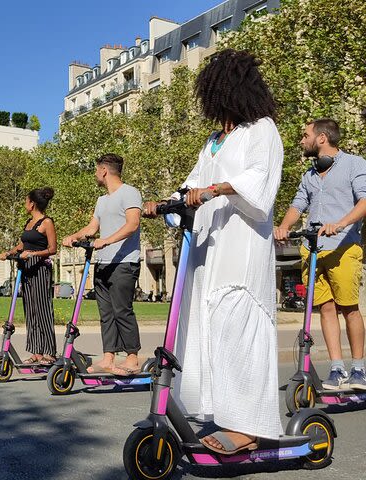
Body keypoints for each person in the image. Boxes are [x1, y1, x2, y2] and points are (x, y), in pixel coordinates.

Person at [144, 49, 283, 454]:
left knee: (238, 325)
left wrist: (216, 190)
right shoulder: (214, 142)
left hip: (241, 248)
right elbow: (192, 183)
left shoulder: (262, 130)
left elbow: (260, 180)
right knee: (208, 327)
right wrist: (166, 203)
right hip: (208, 249)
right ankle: (220, 412)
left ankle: (248, 427)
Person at [274, 119, 366, 391]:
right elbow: (297, 205)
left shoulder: (354, 164)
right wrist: (283, 226)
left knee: (349, 308)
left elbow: (364, 201)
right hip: (314, 249)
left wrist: (340, 222)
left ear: (322, 138)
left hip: (343, 247)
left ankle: (358, 369)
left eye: (305, 135)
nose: (301, 140)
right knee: (325, 309)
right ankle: (337, 368)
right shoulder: (310, 175)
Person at [62, 153, 142, 375]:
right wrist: (74, 236)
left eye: (97, 169)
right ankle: (108, 358)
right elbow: (91, 228)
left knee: (122, 310)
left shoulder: (130, 192)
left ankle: (132, 358)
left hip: (124, 262)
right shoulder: (102, 200)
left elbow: (133, 224)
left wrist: (106, 240)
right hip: (104, 263)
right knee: (106, 312)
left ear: (104, 170)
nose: (96, 174)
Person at [0, 187, 58, 364]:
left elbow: (53, 249)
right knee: (30, 311)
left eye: (26, 201)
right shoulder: (29, 222)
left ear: (32, 203)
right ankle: (36, 352)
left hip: (40, 269)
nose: (25, 203)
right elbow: (21, 245)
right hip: (26, 269)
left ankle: (50, 352)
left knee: (43, 310)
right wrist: (8, 253)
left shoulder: (47, 222)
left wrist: (32, 254)